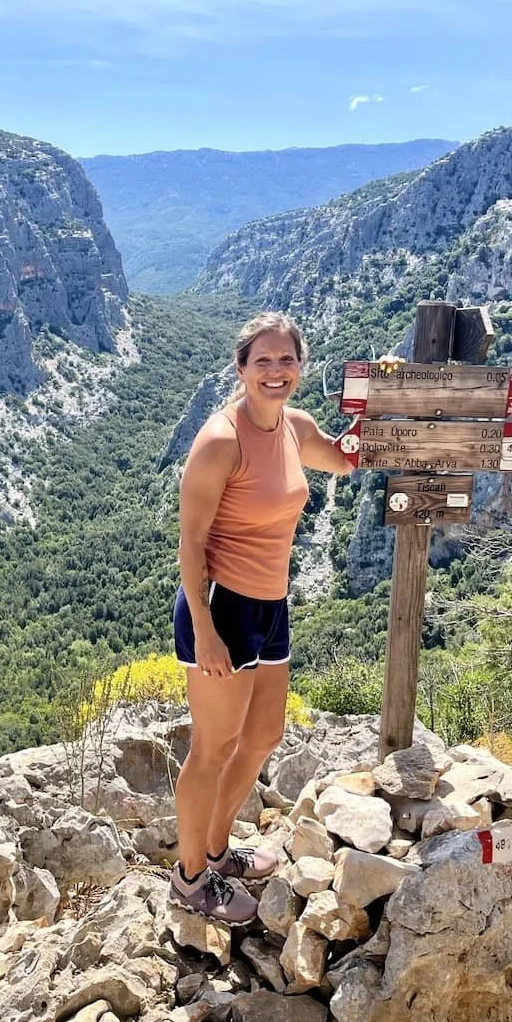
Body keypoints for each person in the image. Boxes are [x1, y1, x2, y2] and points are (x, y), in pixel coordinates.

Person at [168, 311, 382, 924]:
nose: (276, 371)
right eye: (262, 361)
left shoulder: (295, 427)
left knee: (261, 737)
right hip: (222, 607)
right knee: (213, 748)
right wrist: (205, 634)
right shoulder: (219, 440)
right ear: (241, 369)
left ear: (299, 368)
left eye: (286, 360)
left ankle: (215, 848)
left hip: (271, 604)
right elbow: (190, 543)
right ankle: (189, 882)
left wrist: (379, 414)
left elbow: (342, 460)